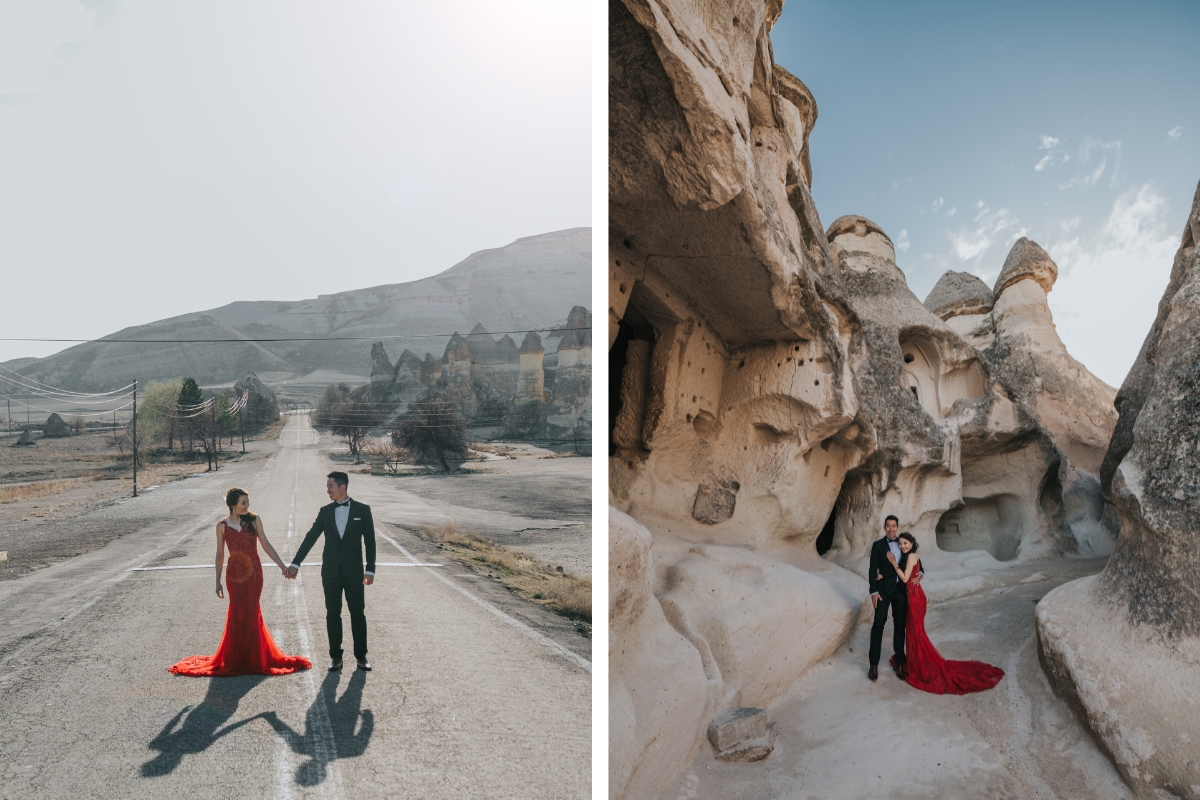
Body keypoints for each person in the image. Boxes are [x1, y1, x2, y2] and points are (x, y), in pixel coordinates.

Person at [169, 488, 311, 677]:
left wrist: (282, 566)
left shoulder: (254, 520)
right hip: (234, 575)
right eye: (243, 503)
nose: (247, 506)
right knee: (237, 612)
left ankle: (254, 658)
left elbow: (266, 545)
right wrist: (217, 581)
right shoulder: (221, 526)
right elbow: (220, 555)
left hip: (254, 574)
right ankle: (236, 658)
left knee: (252, 611)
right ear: (232, 505)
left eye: (247, 502)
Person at [887, 533, 1004, 694]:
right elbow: (916, 570)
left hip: (915, 601)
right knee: (915, 634)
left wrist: (894, 564)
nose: (902, 546)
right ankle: (916, 664)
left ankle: (922, 667)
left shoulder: (911, 556)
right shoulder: (910, 556)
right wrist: (917, 572)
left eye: (905, 543)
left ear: (912, 543)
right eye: (900, 543)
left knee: (917, 634)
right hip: (913, 598)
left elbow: (906, 579)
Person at [286, 471, 376, 672]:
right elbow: (311, 537)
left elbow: (370, 541)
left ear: (342, 487)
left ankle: (361, 656)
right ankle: (336, 657)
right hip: (331, 573)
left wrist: (370, 570)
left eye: (330, 486)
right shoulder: (325, 511)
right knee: (332, 614)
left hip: (354, 573)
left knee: (357, 614)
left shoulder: (363, 510)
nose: (328, 490)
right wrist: (296, 563)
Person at [867, 514, 923, 681]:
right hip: (883, 591)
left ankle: (899, 663)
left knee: (900, 626)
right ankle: (873, 664)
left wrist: (921, 572)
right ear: (884, 527)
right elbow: (872, 569)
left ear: (897, 527)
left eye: (894, 526)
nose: (891, 529)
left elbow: (916, 560)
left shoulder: (903, 543)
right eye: (888, 526)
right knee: (878, 624)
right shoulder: (877, 545)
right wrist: (873, 591)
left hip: (901, 590)